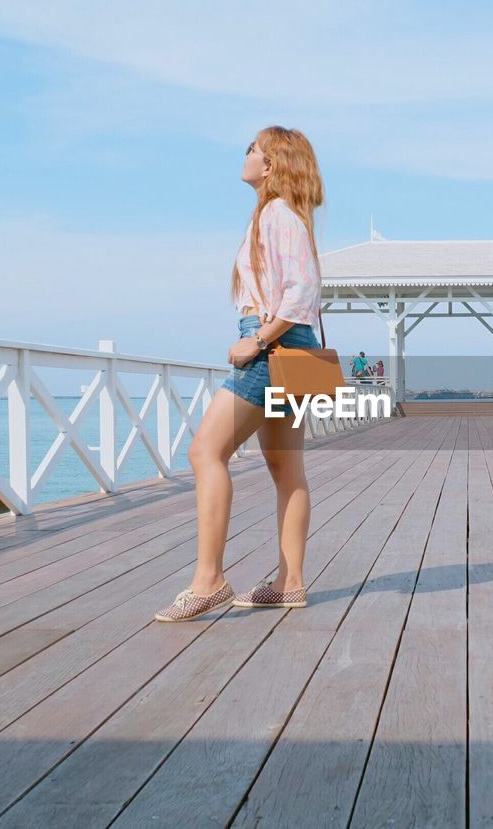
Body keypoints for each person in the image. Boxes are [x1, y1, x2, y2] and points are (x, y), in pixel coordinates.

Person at [155, 126, 324, 621]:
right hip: (296, 348)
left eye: (251, 149)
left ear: (269, 164)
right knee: (286, 469)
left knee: (206, 451)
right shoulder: (280, 216)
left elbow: (302, 288)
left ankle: (209, 580)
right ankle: (290, 583)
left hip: (275, 348)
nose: (245, 155)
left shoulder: (276, 214)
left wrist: (258, 338)